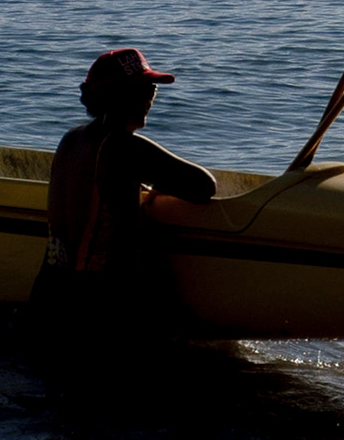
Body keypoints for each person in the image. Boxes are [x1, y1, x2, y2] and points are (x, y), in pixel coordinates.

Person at [34, 44, 222, 339]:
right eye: (142, 89)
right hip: (98, 304)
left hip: (48, 294)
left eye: (152, 90)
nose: (150, 97)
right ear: (115, 96)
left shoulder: (70, 140)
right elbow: (203, 186)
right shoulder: (125, 148)